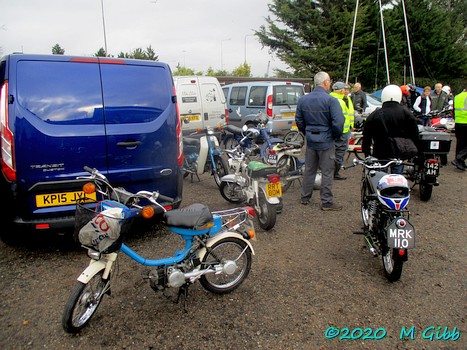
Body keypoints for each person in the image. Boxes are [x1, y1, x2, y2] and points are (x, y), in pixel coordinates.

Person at [295, 72, 344, 210]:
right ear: (325, 82)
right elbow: (338, 122)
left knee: (310, 169)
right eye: (329, 81)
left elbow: (299, 119)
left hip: (311, 140)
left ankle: (305, 197)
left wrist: (306, 132)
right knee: (327, 171)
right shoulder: (330, 100)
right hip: (326, 141)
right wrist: (334, 135)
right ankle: (327, 201)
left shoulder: (303, 100)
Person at [362, 84, 419, 174]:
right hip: (399, 150)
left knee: (381, 177)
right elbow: (414, 133)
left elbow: (366, 136)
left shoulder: (375, 114)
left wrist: (367, 153)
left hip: (380, 151)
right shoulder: (406, 113)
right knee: (397, 177)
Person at [330, 81, 354, 180]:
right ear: (340, 90)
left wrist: (351, 125)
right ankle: (335, 173)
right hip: (341, 131)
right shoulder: (338, 100)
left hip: (346, 129)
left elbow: (349, 114)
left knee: (339, 152)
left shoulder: (346, 99)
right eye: (345, 89)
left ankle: (333, 171)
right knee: (339, 152)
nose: (347, 91)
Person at [452, 88, 467, 171]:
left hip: (458, 122)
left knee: (460, 143)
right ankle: (459, 158)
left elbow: (453, 109)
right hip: (466, 122)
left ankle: (460, 162)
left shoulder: (457, 96)